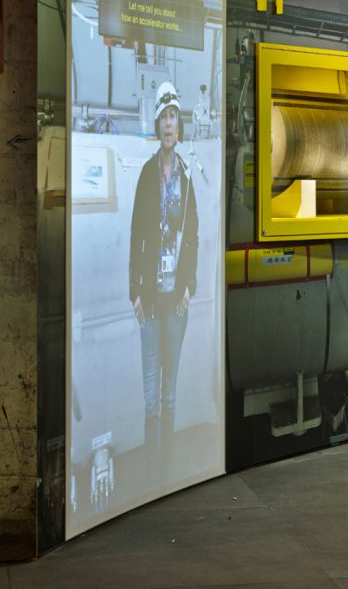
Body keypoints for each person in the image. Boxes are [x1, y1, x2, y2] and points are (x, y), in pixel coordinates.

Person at [129, 81, 198, 478]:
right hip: (151, 304)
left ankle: (167, 473)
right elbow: (136, 235)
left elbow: (194, 237)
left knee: (170, 395)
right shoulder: (145, 176)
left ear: (179, 125)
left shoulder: (186, 179)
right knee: (151, 399)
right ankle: (152, 472)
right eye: (163, 118)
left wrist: (189, 285)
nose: (169, 125)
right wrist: (135, 292)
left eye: (174, 117)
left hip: (177, 304)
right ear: (156, 125)